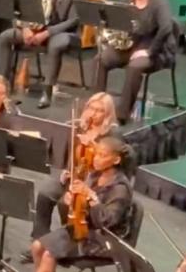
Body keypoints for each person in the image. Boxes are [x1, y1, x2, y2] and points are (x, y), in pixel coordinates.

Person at [25, 136, 135, 272]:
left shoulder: (120, 189)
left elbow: (106, 222)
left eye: (102, 155)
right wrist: (70, 199)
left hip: (103, 240)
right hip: (83, 228)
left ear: (116, 160)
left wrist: (92, 198)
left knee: (48, 255)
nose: (96, 158)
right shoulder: (94, 175)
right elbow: (78, 203)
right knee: (37, 246)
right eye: (96, 153)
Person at [29, 92, 120, 243]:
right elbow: (75, 157)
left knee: (65, 203)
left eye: (100, 111)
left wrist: (92, 145)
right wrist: (67, 171)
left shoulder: (112, 134)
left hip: (94, 182)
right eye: (91, 108)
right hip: (75, 176)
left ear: (108, 114)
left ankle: (68, 241)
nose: (94, 113)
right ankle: (39, 238)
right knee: (45, 193)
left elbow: (108, 161)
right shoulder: (81, 127)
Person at [90, 0, 179, 123]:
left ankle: (122, 115)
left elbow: (166, 29)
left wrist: (149, 51)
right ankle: (97, 105)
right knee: (100, 60)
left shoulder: (159, 4)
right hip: (130, 46)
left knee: (135, 67)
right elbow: (116, 22)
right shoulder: (128, 1)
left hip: (155, 49)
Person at [0, 0, 87, 108]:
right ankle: (2, 86)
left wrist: (46, 33)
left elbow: (73, 21)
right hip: (37, 30)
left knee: (55, 44)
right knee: (6, 36)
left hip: (64, 33)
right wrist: (26, 28)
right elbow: (27, 10)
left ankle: (47, 92)